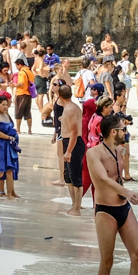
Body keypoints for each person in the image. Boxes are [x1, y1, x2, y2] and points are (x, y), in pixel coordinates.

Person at [84, 113, 138, 275]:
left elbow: (119, 176)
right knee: (107, 260)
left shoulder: (120, 150)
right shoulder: (94, 153)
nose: (126, 132)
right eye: (123, 129)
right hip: (106, 210)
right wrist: (127, 192)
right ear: (113, 132)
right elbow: (103, 180)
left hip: (124, 207)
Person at [57, 84, 84, 216]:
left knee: (75, 177)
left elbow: (74, 132)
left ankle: (77, 208)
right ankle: (74, 204)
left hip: (73, 143)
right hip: (68, 142)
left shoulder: (70, 109)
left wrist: (68, 151)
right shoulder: (69, 108)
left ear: (59, 96)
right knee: (68, 177)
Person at [0, 95, 20, 199]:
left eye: (6, 105)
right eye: (3, 105)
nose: (5, 107)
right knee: (0, 171)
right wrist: (8, 137)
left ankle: (10, 192)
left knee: (10, 170)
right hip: (0, 145)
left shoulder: (6, 115)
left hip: (9, 145)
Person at [13, 57, 34, 135]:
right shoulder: (30, 72)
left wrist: (14, 85)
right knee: (27, 112)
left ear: (19, 65)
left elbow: (21, 83)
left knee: (19, 112)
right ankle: (29, 130)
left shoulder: (21, 73)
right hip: (28, 94)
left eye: (16, 66)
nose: (16, 68)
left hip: (21, 93)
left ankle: (18, 129)